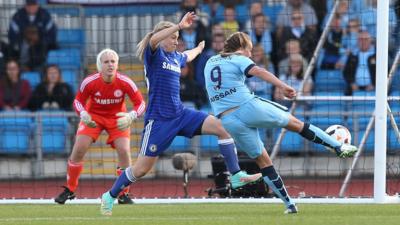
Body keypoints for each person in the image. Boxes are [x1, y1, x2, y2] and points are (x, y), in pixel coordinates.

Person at [100, 12, 260, 216]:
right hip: (159, 121)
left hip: (180, 114)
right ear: (163, 35)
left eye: (177, 38)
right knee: (140, 170)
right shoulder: (154, 55)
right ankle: (110, 195)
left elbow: (188, 55)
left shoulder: (176, 57)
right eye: (173, 38)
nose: (176, 42)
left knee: (223, 128)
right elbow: (153, 39)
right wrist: (178, 26)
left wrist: (200, 49)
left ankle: (236, 175)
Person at [203, 32, 359, 213]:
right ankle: (338, 147)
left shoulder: (210, 62)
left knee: (264, 162)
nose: (250, 55)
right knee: (296, 124)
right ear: (242, 48)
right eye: (250, 50)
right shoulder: (238, 58)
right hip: (248, 107)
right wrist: (283, 86)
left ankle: (289, 204)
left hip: (228, 120)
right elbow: (259, 71)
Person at [54, 48, 146, 205]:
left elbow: (141, 103)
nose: (110, 65)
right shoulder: (89, 82)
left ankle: (123, 193)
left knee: (124, 151)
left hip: (117, 118)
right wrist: (83, 114)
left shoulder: (125, 82)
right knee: (79, 148)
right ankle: (70, 189)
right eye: (106, 62)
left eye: (113, 61)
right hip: (93, 118)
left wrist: (131, 116)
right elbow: (78, 101)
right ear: (99, 65)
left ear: (117, 64)